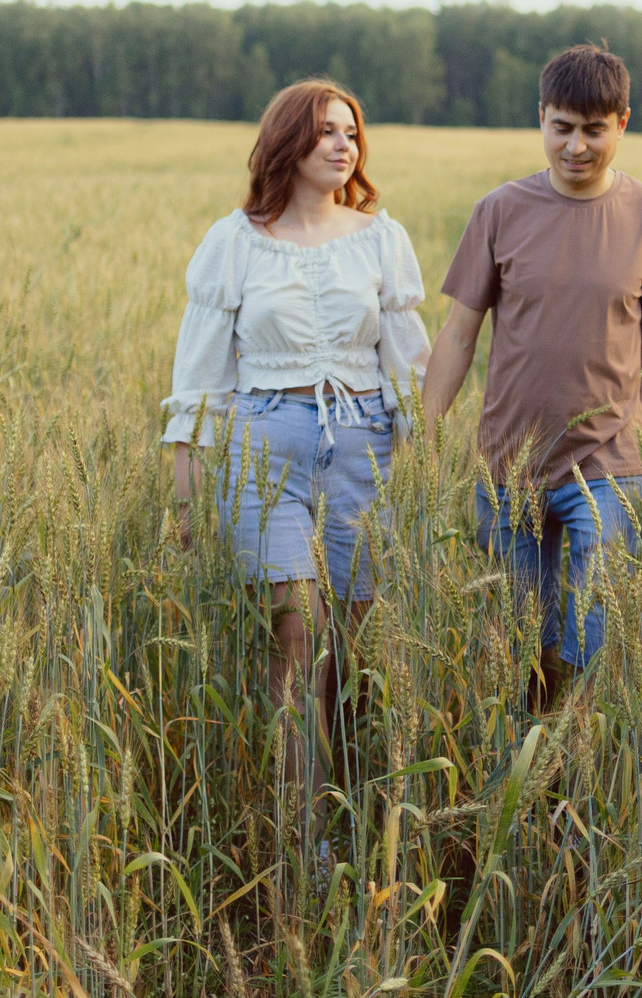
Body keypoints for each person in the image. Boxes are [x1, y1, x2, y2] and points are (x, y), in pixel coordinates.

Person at [161, 79, 432, 775]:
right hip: (265, 446)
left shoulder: (381, 239)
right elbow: (198, 385)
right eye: (327, 131)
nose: (345, 146)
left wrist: (425, 472)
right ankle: (299, 821)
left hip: (364, 447)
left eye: (352, 133)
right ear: (288, 141)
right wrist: (186, 497)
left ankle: (354, 804)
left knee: (354, 647)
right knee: (296, 632)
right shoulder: (235, 242)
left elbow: (409, 371)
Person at [423, 44, 642, 709]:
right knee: (522, 646)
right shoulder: (499, 210)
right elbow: (459, 333)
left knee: (595, 637)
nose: (575, 146)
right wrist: (425, 434)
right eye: (561, 127)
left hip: (610, 462)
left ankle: (579, 752)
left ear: (622, 123)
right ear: (540, 117)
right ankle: (531, 757)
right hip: (508, 461)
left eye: (593, 130)